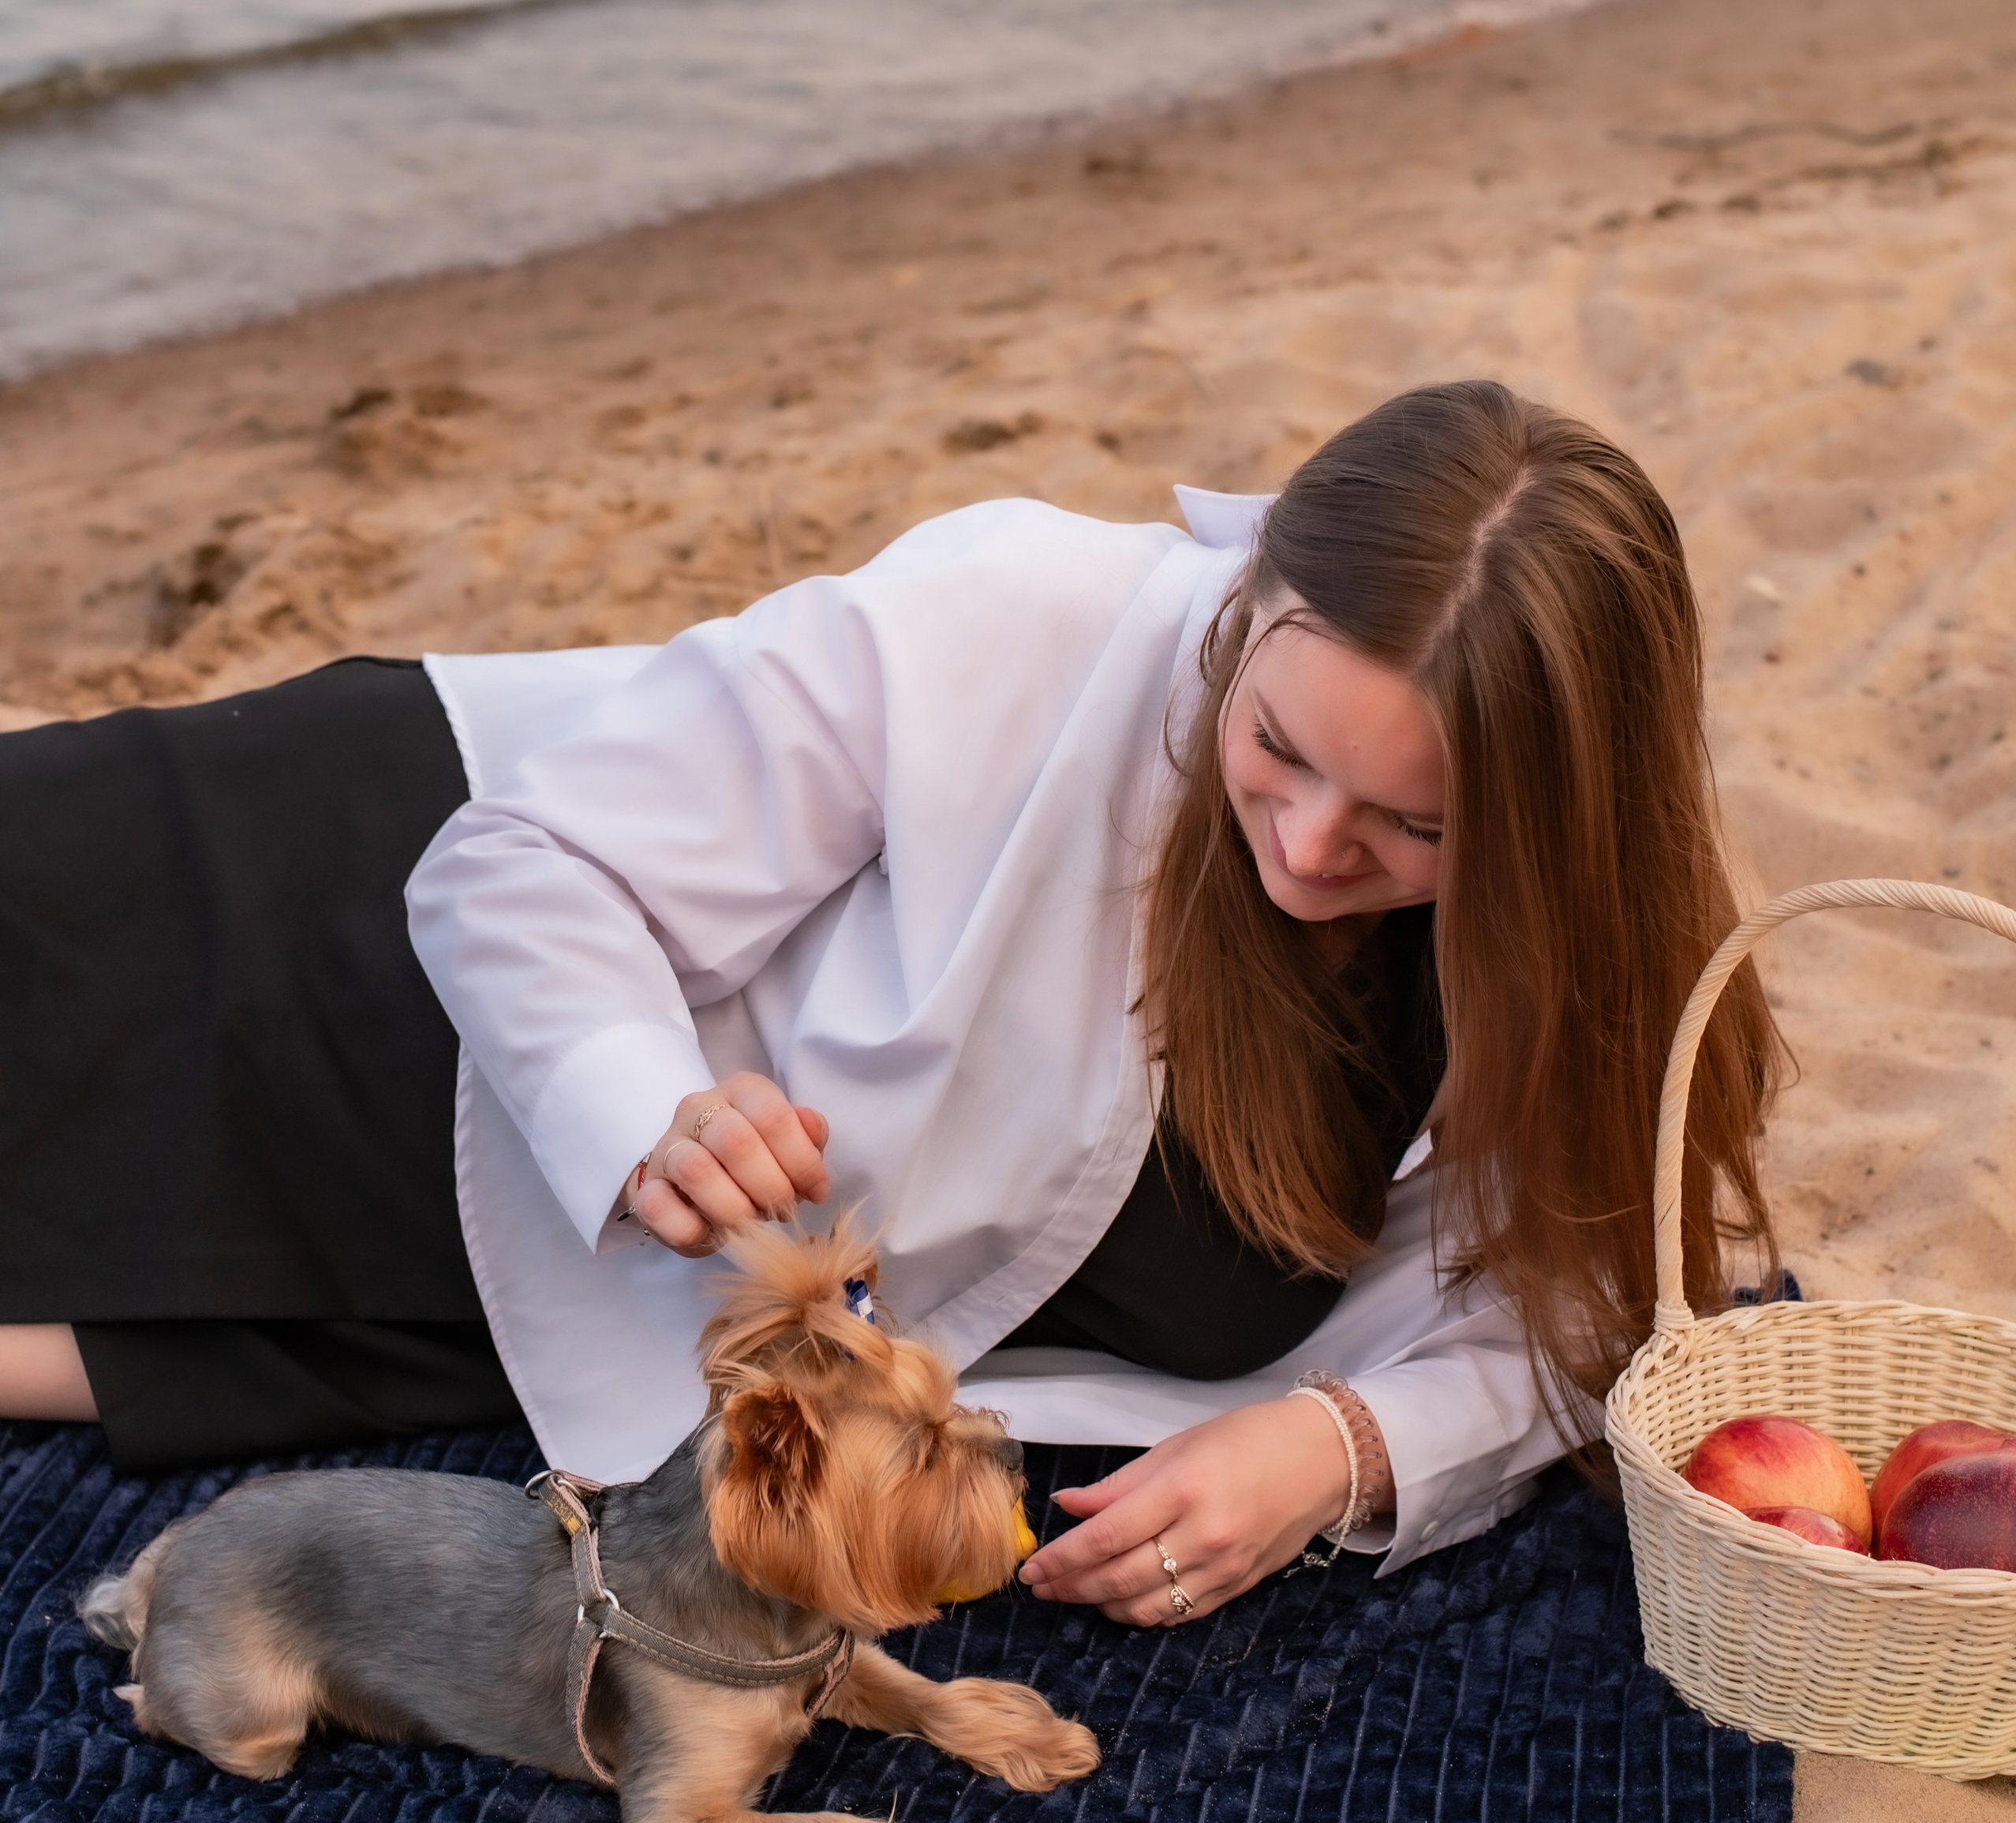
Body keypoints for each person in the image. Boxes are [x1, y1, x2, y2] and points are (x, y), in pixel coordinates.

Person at [0, 381, 1778, 1627]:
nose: (1314, 846)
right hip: (357, 914)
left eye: (1418, 824)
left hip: (547, 1293)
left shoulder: (1573, 972)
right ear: (1246, 617)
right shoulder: (1020, 613)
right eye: (1277, 750)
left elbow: (1606, 1300)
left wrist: (1339, 1449)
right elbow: (523, 866)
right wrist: (649, 1106)